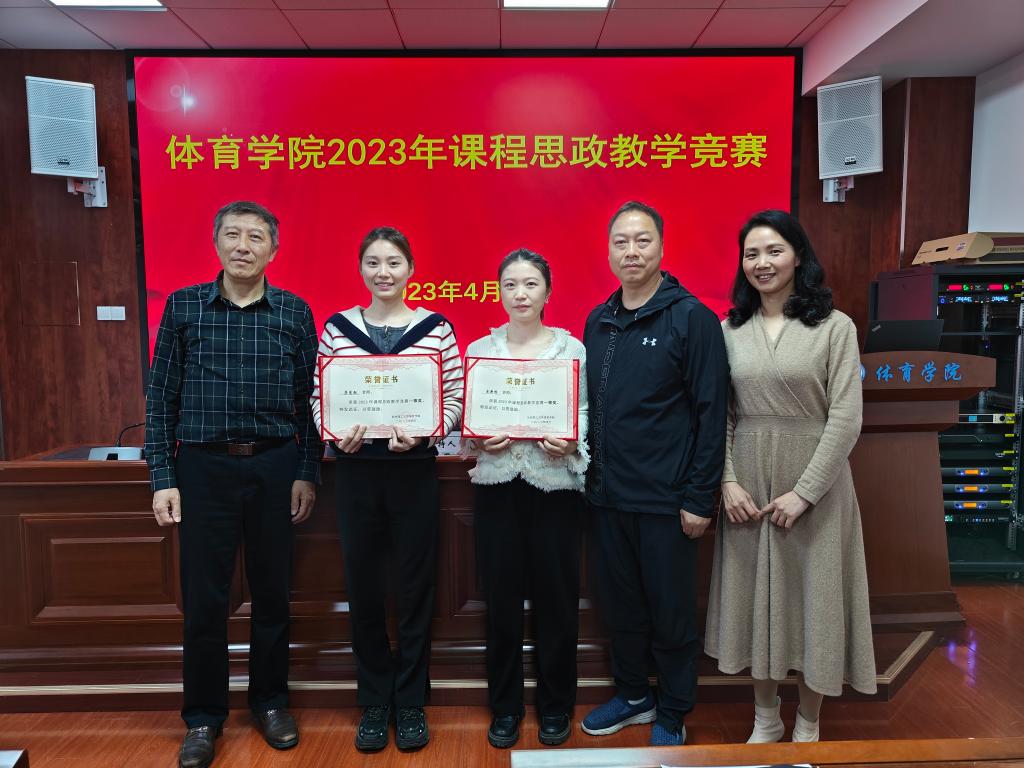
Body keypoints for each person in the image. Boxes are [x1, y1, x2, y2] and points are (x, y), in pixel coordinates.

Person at [145, 200, 321, 768]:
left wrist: (307, 471)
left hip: (275, 466)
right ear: (217, 242)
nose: (243, 246)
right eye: (232, 235)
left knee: (273, 594)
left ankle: (270, 703)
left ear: (274, 249)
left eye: (255, 237)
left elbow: (310, 402)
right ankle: (202, 717)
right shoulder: (184, 306)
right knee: (205, 601)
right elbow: (160, 398)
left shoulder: (294, 312)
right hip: (203, 468)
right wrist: (162, 476)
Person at [704, 209, 876, 743]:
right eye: (751, 253)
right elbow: (718, 415)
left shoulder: (836, 326)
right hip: (748, 485)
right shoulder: (728, 329)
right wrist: (727, 480)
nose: (762, 263)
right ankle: (765, 717)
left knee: (815, 602)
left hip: (817, 486)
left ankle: (808, 721)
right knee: (755, 601)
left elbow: (846, 418)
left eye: (774, 250)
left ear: (798, 255)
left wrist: (804, 493)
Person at [310, 226, 463, 753]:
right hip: (356, 473)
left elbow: (453, 397)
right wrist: (334, 432)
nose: (384, 272)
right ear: (361, 269)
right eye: (373, 262)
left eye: (394, 262)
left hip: (413, 472)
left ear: (410, 269)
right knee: (364, 587)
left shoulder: (436, 329)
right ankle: (375, 699)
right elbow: (319, 395)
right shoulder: (337, 329)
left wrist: (425, 432)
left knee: (417, 587)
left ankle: (411, 699)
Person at [581, 201, 729, 746]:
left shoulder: (691, 319)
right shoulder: (598, 320)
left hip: (668, 501)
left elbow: (713, 413)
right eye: (621, 242)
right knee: (621, 608)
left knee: (671, 613)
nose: (631, 252)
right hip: (605, 497)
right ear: (609, 252)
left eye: (642, 241)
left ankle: (672, 709)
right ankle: (632, 695)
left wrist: (699, 498)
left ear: (662, 248)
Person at [463, 248, 589, 749]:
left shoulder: (571, 349)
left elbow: (585, 412)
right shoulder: (480, 349)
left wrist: (572, 441)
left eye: (531, 284)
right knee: (501, 602)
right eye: (511, 284)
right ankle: (505, 707)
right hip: (497, 488)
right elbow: (468, 422)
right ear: (499, 292)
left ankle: (556, 705)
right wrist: (478, 438)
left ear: (547, 292)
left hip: (555, 488)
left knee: (558, 600)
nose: (520, 294)